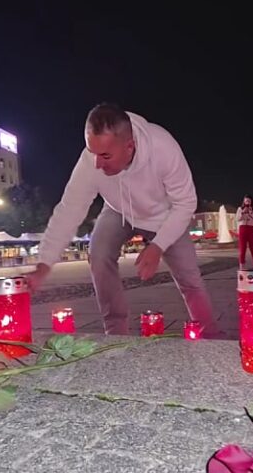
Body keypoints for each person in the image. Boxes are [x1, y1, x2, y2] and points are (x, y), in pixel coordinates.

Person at [29, 103, 221, 337]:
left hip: (165, 215)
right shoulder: (91, 161)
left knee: (190, 278)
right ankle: (116, 331)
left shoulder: (162, 147)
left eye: (106, 155)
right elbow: (70, 209)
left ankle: (211, 337)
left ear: (129, 147)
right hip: (118, 210)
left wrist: (157, 246)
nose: (97, 163)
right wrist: (43, 264)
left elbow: (186, 203)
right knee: (98, 253)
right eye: (93, 153)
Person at [236, 194, 253, 269]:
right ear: (244, 201)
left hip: (251, 229)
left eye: (249, 201)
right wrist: (243, 212)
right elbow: (237, 218)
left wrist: (251, 212)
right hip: (243, 229)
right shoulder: (240, 209)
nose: (247, 202)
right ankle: (242, 267)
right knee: (242, 248)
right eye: (246, 200)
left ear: (251, 202)